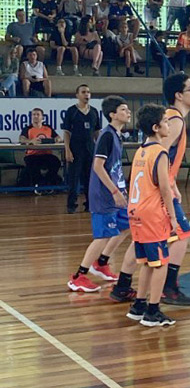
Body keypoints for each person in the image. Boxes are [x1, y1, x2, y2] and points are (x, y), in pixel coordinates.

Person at [67, 97, 135, 293]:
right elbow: (98, 166)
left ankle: (102, 263)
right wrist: (114, 191)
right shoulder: (107, 135)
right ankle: (78, 277)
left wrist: (121, 189)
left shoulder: (117, 134)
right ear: (112, 114)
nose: (128, 112)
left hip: (116, 192)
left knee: (126, 225)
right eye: (123, 109)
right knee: (102, 237)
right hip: (104, 194)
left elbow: (114, 168)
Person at [125, 104, 179, 327]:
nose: (169, 125)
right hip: (152, 213)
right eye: (166, 122)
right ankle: (153, 311)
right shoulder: (160, 152)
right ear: (157, 127)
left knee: (147, 262)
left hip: (135, 211)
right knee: (160, 264)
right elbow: (165, 189)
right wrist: (173, 217)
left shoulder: (140, 150)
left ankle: (139, 305)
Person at [160, 72, 190, 306]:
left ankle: (123, 284)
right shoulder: (175, 120)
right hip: (158, 188)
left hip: (160, 184)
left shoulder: (171, 118)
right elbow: (158, 154)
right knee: (183, 234)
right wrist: (169, 186)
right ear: (178, 95)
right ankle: (168, 288)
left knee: (146, 239)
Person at [63, 84, 101, 214]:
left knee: (90, 178)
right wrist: (67, 150)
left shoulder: (94, 111)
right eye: (84, 92)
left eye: (88, 92)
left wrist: (100, 150)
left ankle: (90, 204)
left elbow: (97, 132)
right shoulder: (71, 111)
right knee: (74, 179)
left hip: (90, 148)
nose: (87, 95)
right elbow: (67, 132)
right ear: (77, 95)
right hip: (75, 148)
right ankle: (71, 205)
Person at [20, 108, 62, 189]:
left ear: (42, 117)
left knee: (56, 162)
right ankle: (38, 185)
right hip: (32, 155)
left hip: (46, 154)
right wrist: (30, 141)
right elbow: (21, 139)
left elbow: (58, 138)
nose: (35, 116)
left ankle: (47, 182)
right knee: (32, 166)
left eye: (38, 114)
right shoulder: (27, 128)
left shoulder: (48, 128)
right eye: (34, 114)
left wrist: (55, 140)